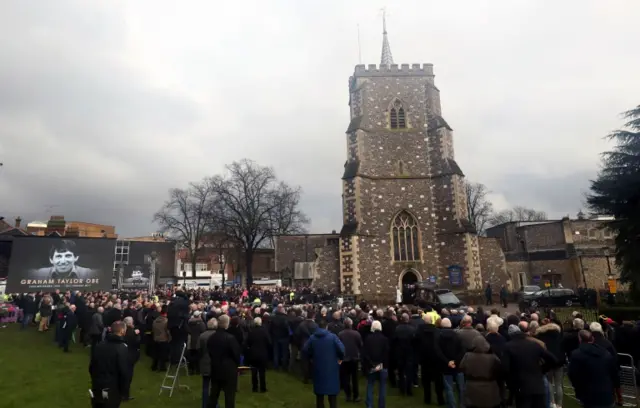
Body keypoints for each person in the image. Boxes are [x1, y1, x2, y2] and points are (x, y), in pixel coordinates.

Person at [502, 325, 557, 408]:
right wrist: (543, 369)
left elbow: (505, 368)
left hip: (521, 386)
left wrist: (510, 383)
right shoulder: (534, 345)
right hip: (538, 385)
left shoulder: (508, 346)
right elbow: (553, 360)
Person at [568, 330, 619, 408]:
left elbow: (573, 375)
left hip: (590, 396)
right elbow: (614, 373)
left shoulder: (576, 355)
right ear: (592, 339)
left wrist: (578, 390)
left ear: (580, 339)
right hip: (606, 394)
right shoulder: (606, 353)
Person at [303, 319, 346, 408]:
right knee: (332, 395)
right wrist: (340, 359)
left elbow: (305, 349)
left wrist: (311, 357)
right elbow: (342, 350)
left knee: (319, 395)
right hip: (332, 367)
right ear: (326, 327)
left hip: (318, 367)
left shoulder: (312, 338)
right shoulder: (333, 337)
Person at [89, 321, 132, 408]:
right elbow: (124, 373)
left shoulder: (99, 345)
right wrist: (125, 392)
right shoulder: (122, 348)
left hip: (98, 385)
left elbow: (92, 367)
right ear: (122, 331)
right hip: (112, 388)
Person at [207, 314, 242, 408]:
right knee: (229, 396)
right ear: (227, 324)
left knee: (213, 395)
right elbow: (236, 354)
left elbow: (210, 352)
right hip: (228, 370)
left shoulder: (211, 337)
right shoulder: (230, 338)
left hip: (215, 368)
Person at [459, 336, 503, 408]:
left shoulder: (467, 356)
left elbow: (462, 368)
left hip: (472, 387)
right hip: (489, 387)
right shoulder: (493, 357)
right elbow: (499, 369)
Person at [362, 320, 389, 408]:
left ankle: (369, 405)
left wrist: (371, 364)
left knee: (370, 385)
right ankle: (381, 405)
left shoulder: (368, 338)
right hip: (381, 365)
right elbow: (386, 354)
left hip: (372, 365)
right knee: (382, 386)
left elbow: (365, 353)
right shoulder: (384, 339)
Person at [338, 317, 363, 402]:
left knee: (346, 378)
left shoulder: (340, 334)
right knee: (355, 378)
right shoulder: (356, 334)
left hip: (344, 359)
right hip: (354, 358)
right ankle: (356, 396)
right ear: (351, 324)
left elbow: (338, 346)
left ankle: (348, 395)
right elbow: (360, 345)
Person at [246, 316, 271, 393]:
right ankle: (263, 388)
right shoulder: (264, 332)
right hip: (262, 353)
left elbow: (247, 343)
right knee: (262, 372)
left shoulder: (251, 332)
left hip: (253, 353)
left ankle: (255, 388)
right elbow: (269, 342)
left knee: (254, 371)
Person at [199, 318, 218, 408]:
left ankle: (204, 405)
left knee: (205, 386)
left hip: (204, 362)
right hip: (215, 363)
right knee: (215, 387)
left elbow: (200, 350)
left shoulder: (202, 336)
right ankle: (214, 404)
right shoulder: (217, 335)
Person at [122, 316, 140, 402]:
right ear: (129, 323)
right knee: (127, 376)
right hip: (130, 355)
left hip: (124, 354)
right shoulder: (131, 332)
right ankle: (125, 395)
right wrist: (136, 334)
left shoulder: (123, 330)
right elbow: (136, 342)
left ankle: (123, 394)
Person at [151, 305, 171, 372]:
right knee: (163, 355)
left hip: (156, 339)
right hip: (163, 339)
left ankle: (154, 366)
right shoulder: (166, 321)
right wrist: (169, 338)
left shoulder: (155, 320)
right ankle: (162, 367)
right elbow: (167, 331)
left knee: (156, 354)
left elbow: (153, 330)